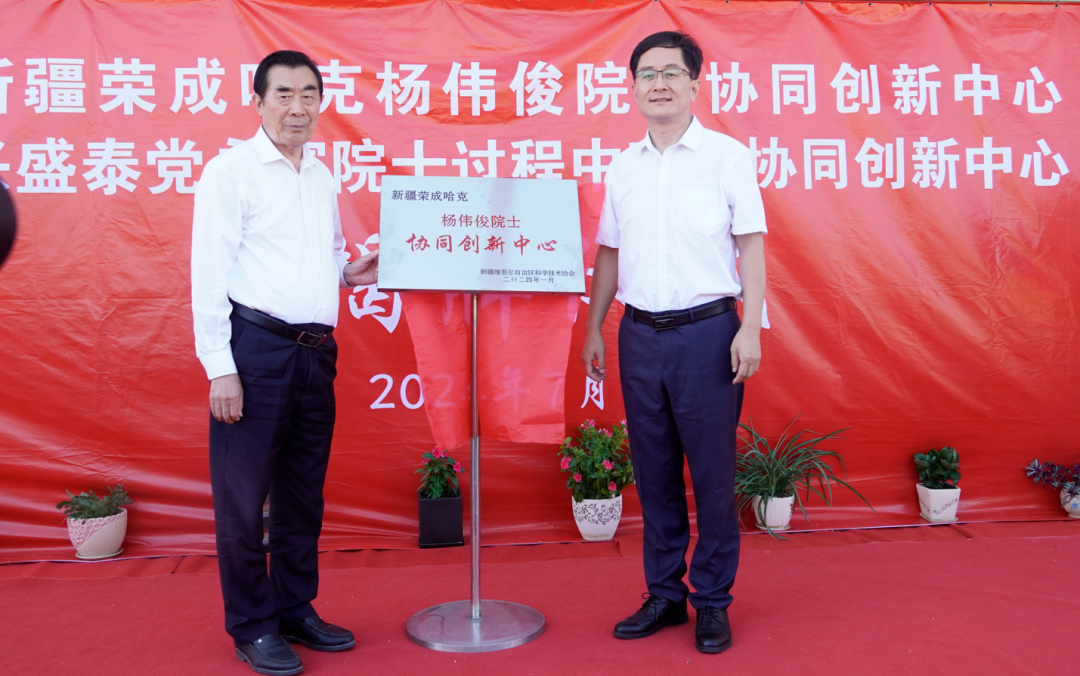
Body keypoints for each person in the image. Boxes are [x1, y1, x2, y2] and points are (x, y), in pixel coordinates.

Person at [191, 49, 378, 676]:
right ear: (258, 102)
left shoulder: (320, 175)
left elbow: (325, 257)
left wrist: (351, 274)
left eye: (308, 95)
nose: (298, 108)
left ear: (321, 102)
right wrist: (220, 366)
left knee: (302, 493)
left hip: (315, 352)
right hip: (255, 350)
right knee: (244, 501)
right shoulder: (231, 172)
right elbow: (208, 274)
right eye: (284, 95)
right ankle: (252, 625)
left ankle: (295, 607)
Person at [580, 31, 767, 655]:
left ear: (694, 84)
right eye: (647, 74)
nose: (658, 84)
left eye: (671, 72)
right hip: (639, 335)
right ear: (633, 87)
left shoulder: (726, 157)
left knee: (711, 474)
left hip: (708, 334)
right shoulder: (623, 167)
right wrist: (595, 327)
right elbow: (610, 253)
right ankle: (664, 593)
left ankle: (712, 599)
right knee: (654, 471)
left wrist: (749, 327)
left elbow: (750, 247)